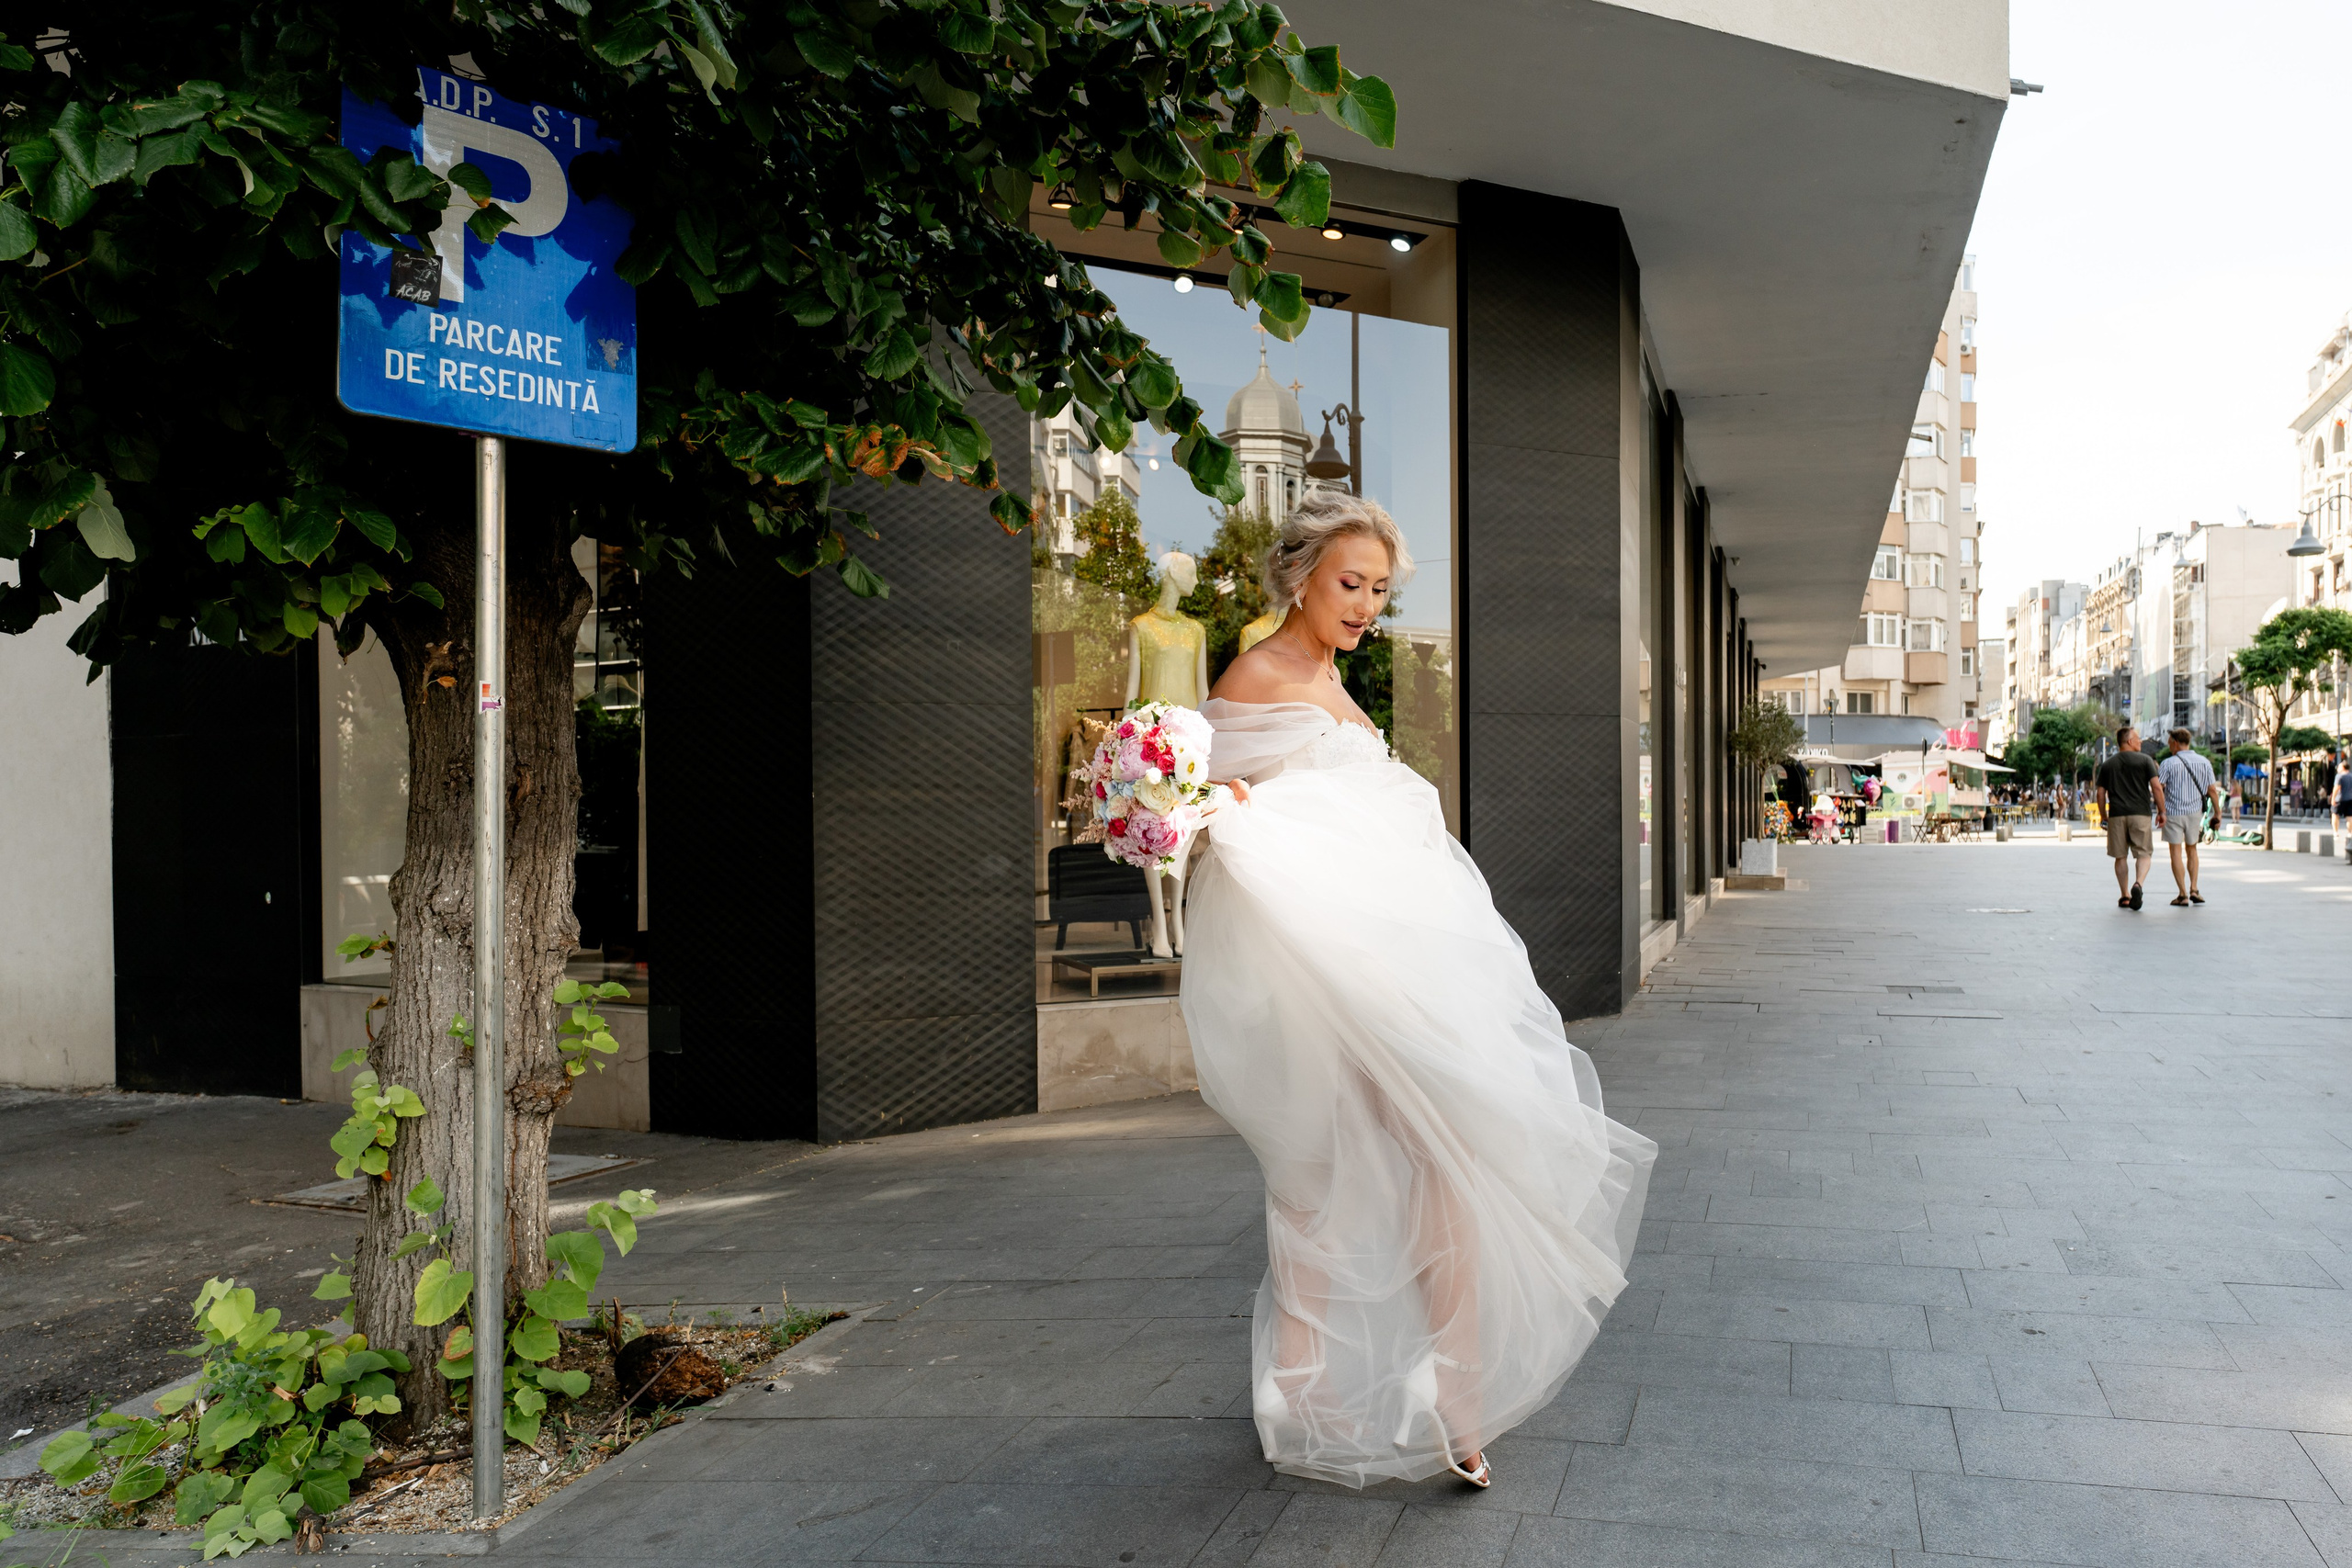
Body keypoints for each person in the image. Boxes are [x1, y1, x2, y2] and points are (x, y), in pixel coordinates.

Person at [1182, 490, 1655, 1492]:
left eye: (1379, 591)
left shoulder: (1319, 674)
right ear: (1299, 574)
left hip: (1399, 957)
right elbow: (1225, 826)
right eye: (1350, 583)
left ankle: (1449, 1393)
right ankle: (1336, 1388)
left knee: (1438, 1155)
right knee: (1338, 1170)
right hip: (1337, 968)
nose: (1364, 606)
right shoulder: (1257, 675)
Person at [2092, 725, 2162, 910]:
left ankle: (2124, 895)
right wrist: (2162, 812)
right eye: (2138, 739)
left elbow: (2100, 794)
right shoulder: (2145, 761)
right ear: (2130, 741)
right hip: (2140, 814)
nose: (2140, 742)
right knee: (2144, 853)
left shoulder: (2108, 765)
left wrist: (2103, 816)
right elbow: (2156, 787)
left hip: (2117, 815)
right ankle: (2138, 884)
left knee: (2120, 856)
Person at [2155, 728, 2221, 907]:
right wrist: (2218, 813)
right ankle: (2194, 888)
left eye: (2170, 743)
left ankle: (2183, 894)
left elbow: (2158, 788)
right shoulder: (2204, 762)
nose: (2169, 747)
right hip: (2194, 813)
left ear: (2176, 743)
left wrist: (2161, 810)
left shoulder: (2168, 764)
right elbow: (2212, 790)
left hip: (2173, 813)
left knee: (2175, 852)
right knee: (2192, 850)